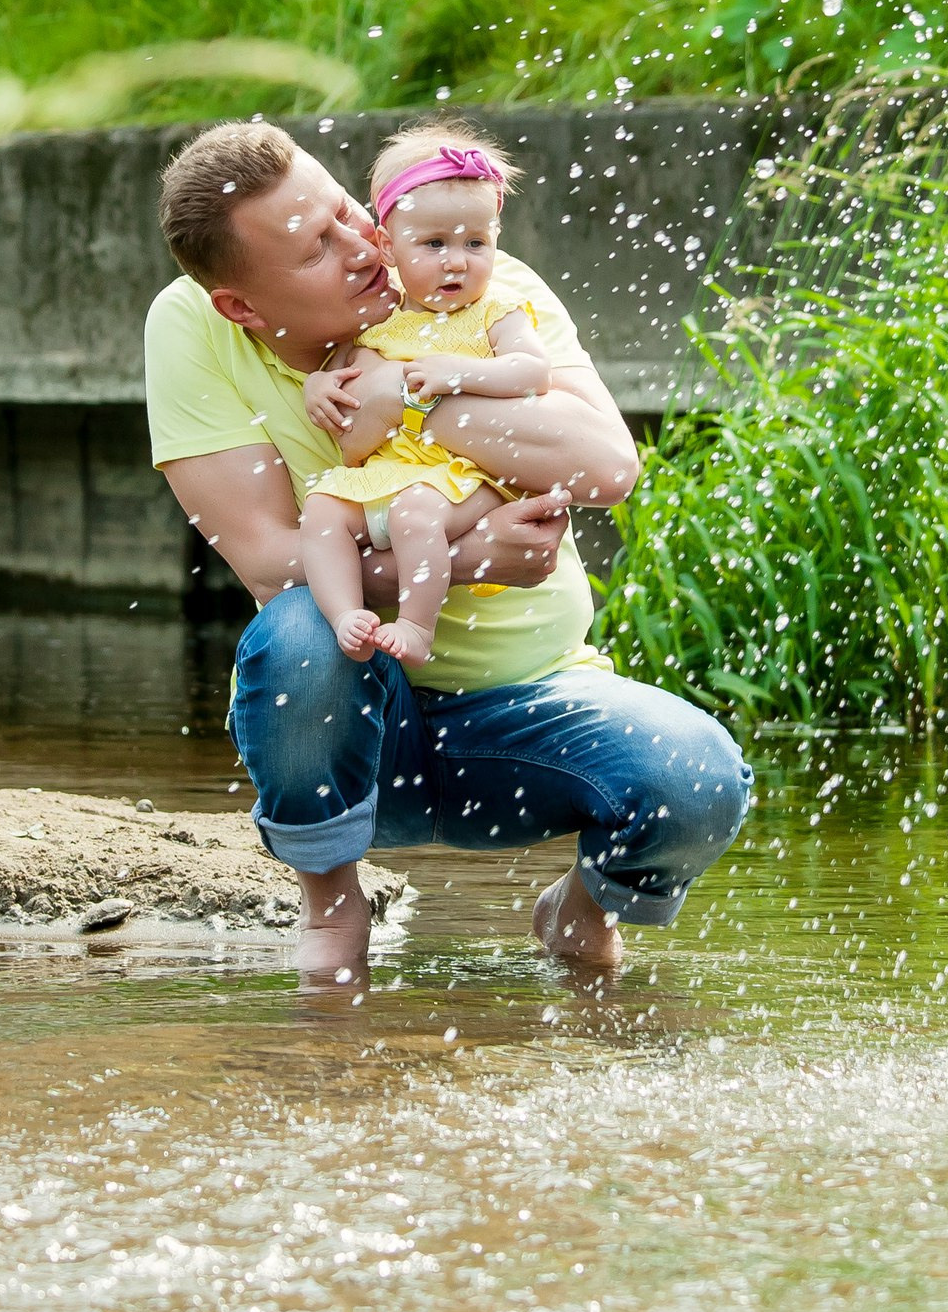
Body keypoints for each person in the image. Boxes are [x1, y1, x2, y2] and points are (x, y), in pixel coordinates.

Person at [144, 119, 752, 985]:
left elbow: (609, 464)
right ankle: (332, 903)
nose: (364, 246)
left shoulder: (474, 278)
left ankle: (582, 910)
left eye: (350, 211)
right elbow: (271, 563)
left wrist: (414, 403)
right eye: (318, 249)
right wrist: (469, 559)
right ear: (242, 306)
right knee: (296, 632)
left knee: (698, 776)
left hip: (535, 706)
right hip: (361, 725)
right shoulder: (192, 330)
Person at [299, 121, 547, 668]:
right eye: (434, 244)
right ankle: (346, 616)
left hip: (465, 474)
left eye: (475, 243)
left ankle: (416, 626)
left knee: (415, 514)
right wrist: (317, 388)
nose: (456, 261)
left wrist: (462, 373)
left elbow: (532, 372)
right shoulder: (378, 324)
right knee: (320, 512)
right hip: (391, 471)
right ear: (389, 247)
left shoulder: (494, 314)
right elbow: (334, 371)